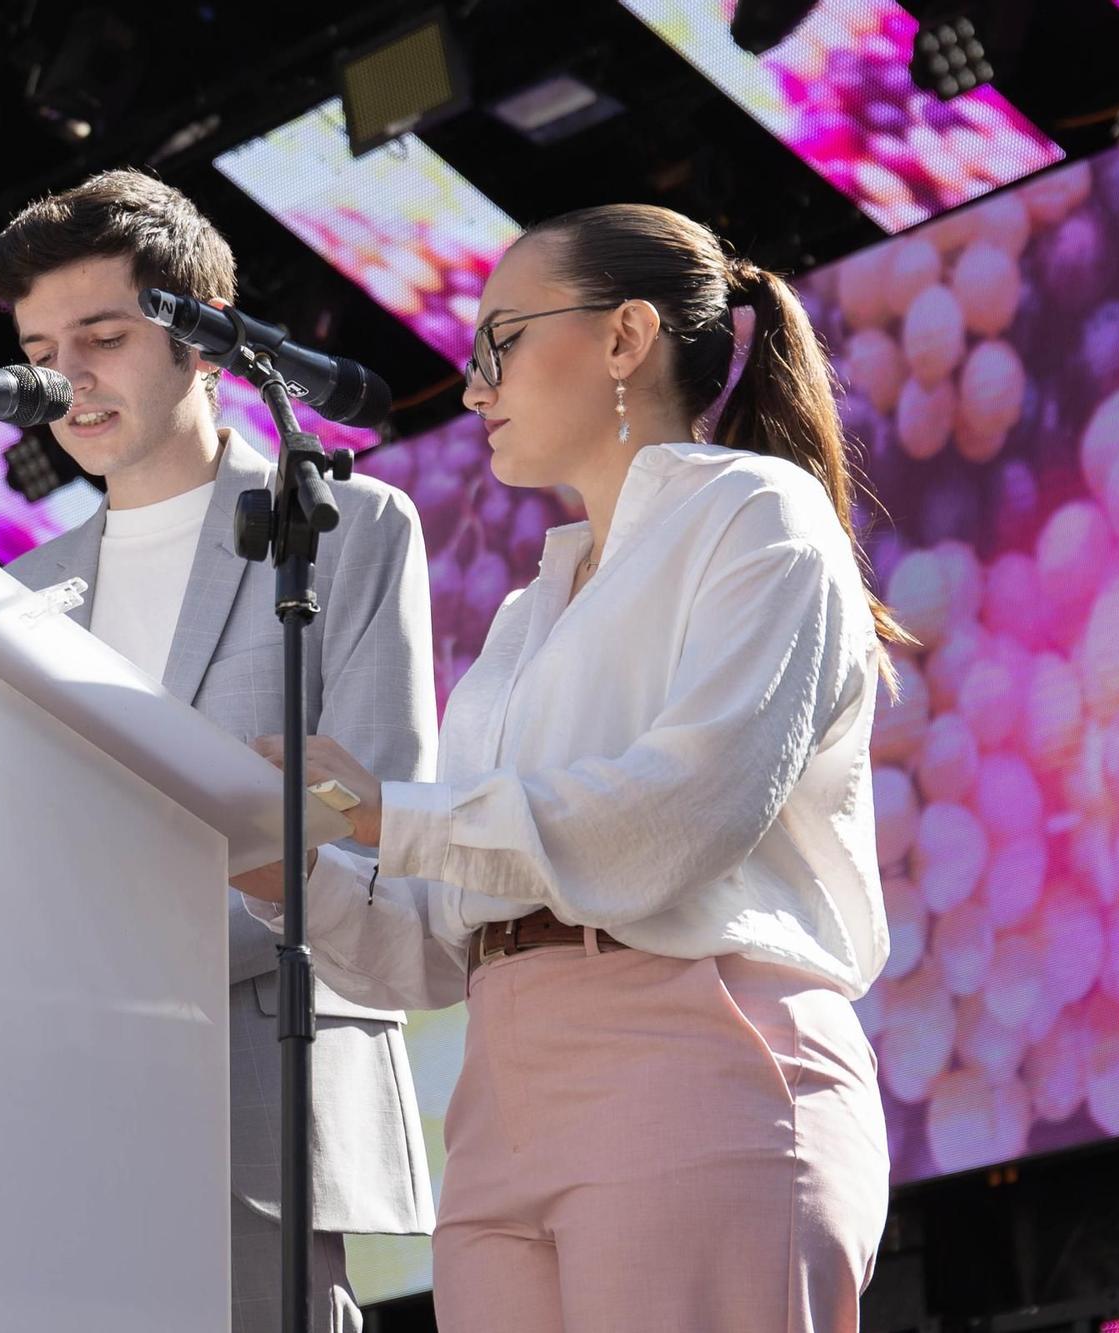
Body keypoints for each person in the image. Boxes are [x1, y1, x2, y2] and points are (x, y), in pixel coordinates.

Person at [242, 202, 908, 1332]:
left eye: (497, 341)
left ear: (622, 337)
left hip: (695, 1055)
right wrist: (271, 857)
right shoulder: (525, 613)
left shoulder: (757, 515)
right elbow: (446, 933)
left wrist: (383, 813)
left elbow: (678, 814)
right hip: (501, 1102)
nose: (470, 387)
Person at [0, 168, 439, 1333]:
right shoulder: (16, 593)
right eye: (39, 348)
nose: (65, 378)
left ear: (200, 341)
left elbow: (383, 835)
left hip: (263, 1076)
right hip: (59, 1094)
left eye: (101, 334)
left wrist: (132, 933)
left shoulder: (347, 527)